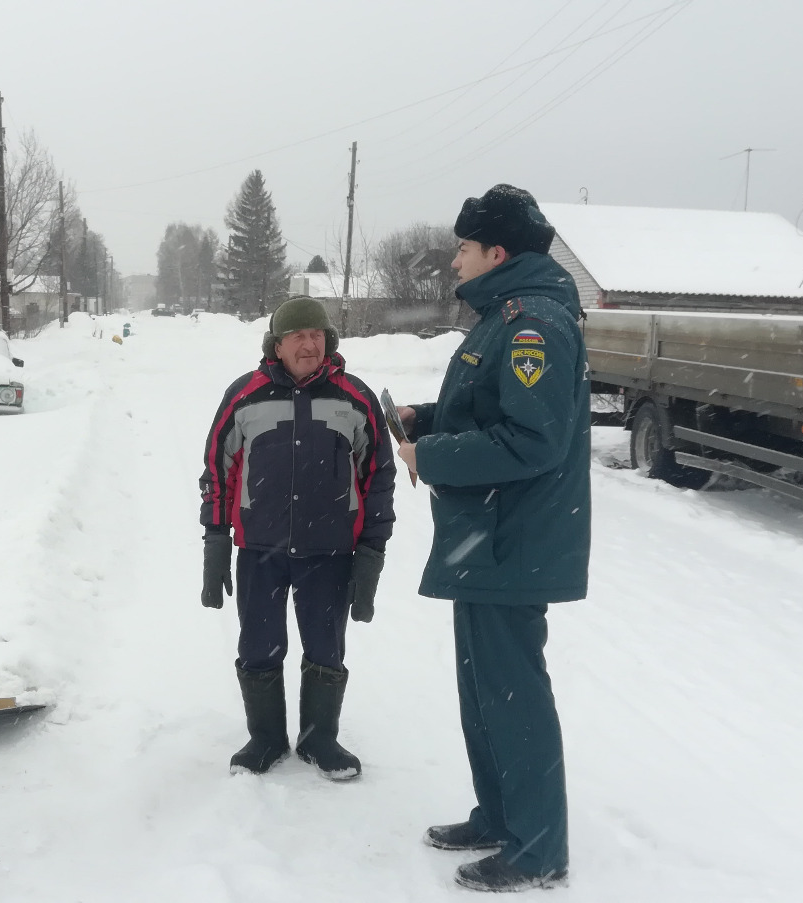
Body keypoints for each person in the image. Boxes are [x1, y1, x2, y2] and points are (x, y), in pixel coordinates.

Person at [394, 185, 590, 892]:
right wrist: (429, 419)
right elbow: (489, 408)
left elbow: (532, 441)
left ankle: (538, 848)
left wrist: (434, 457)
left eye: (464, 247)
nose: (454, 259)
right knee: (483, 691)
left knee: (513, 693)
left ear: (497, 252)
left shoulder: (533, 322)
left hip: (514, 539)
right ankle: (502, 814)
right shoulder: (502, 316)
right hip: (486, 538)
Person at [199, 294, 396, 780]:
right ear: (277, 344)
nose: (310, 344)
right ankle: (264, 738)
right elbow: (217, 470)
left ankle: (319, 741)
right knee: (259, 645)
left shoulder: (356, 397)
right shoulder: (245, 395)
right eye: (299, 336)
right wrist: (216, 539)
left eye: (318, 335)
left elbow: (379, 478)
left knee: (326, 648)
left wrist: (372, 549)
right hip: (260, 551)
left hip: (329, 553)